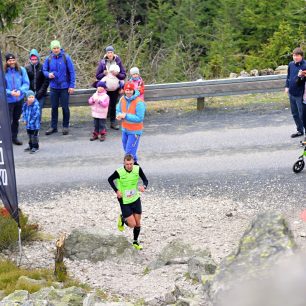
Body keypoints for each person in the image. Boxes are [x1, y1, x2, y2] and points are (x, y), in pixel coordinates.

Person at [108, 154, 148, 250]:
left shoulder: (137, 169)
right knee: (132, 224)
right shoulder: (119, 172)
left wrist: (144, 187)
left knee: (138, 223)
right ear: (124, 163)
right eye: (127, 164)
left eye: (131, 164)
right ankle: (122, 218)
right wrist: (117, 191)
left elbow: (145, 180)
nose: (129, 166)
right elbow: (110, 179)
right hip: (124, 200)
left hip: (135, 198)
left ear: (133, 162)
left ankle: (135, 241)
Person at [43, 40, 76, 135]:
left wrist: (71, 85)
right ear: (51, 49)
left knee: (65, 107)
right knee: (54, 108)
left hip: (64, 87)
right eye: (54, 48)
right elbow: (44, 70)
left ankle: (65, 126)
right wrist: (48, 74)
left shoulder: (66, 57)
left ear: (60, 48)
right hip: (53, 87)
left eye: (57, 48)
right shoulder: (48, 58)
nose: (56, 50)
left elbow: (72, 72)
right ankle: (53, 127)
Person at [95, 45, 126, 130]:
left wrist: (118, 74)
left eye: (111, 52)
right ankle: (102, 125)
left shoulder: (118, 61)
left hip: (115, 88)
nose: (110, 54)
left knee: (113, 106)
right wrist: (103, 73)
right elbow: (97, 76)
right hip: (105, 89)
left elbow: (123, 75)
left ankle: (113, 123)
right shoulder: (102, 62)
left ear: (113, 53)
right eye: (108, 52)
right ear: (106, 53)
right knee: (104, 106)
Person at [116, 82, 146, 164]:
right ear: (124, 90)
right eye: (127, 90)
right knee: (127, 149)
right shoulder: (122, 99)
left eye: (130, 90)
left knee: (129, 153)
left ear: (133, 90)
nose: (128, 92)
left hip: (135, 131)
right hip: (125, 129)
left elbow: (140, 118)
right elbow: (118, 109)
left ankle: (128, 170)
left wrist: (125, 116)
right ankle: (135, 164)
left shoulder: (139, 102)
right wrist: (118, 115)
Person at [4, 53, 30, 145]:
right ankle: (5, 139)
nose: (12, 62)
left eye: (13, 60)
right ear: (6, 61)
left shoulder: (21, 70)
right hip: (8, 101)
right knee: (7, 120)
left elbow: (26, 83)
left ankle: (14, 137)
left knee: (15, 120)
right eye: (9, 60)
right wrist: (10, 92)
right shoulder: (3, 72)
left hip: (19, 100)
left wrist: (20, 91)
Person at [285, 47, 306, 138]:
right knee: (295, 114)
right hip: (292, 93)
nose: (295, 57)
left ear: (301, 56)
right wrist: (287, 86)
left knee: (303, 115)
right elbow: (288, 76)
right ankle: (300, 131)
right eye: (294, 55)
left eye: (297, 55)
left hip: (301, 94)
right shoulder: (291, 64)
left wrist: (301, 76)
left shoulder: (305, 65)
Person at [25, 49, 49, 122]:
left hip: (41, 93)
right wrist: (29, 92)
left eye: (35, 59)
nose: (34, 61)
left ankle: (37, 126)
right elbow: (26, 81)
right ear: (30, 59)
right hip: (30, 94)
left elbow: (46, 81)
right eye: (32, 59)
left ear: (38, 58)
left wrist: (40, 92)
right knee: (30, 109)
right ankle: (31, 125)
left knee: (38, 109)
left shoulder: (43, 67)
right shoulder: (27, 68)